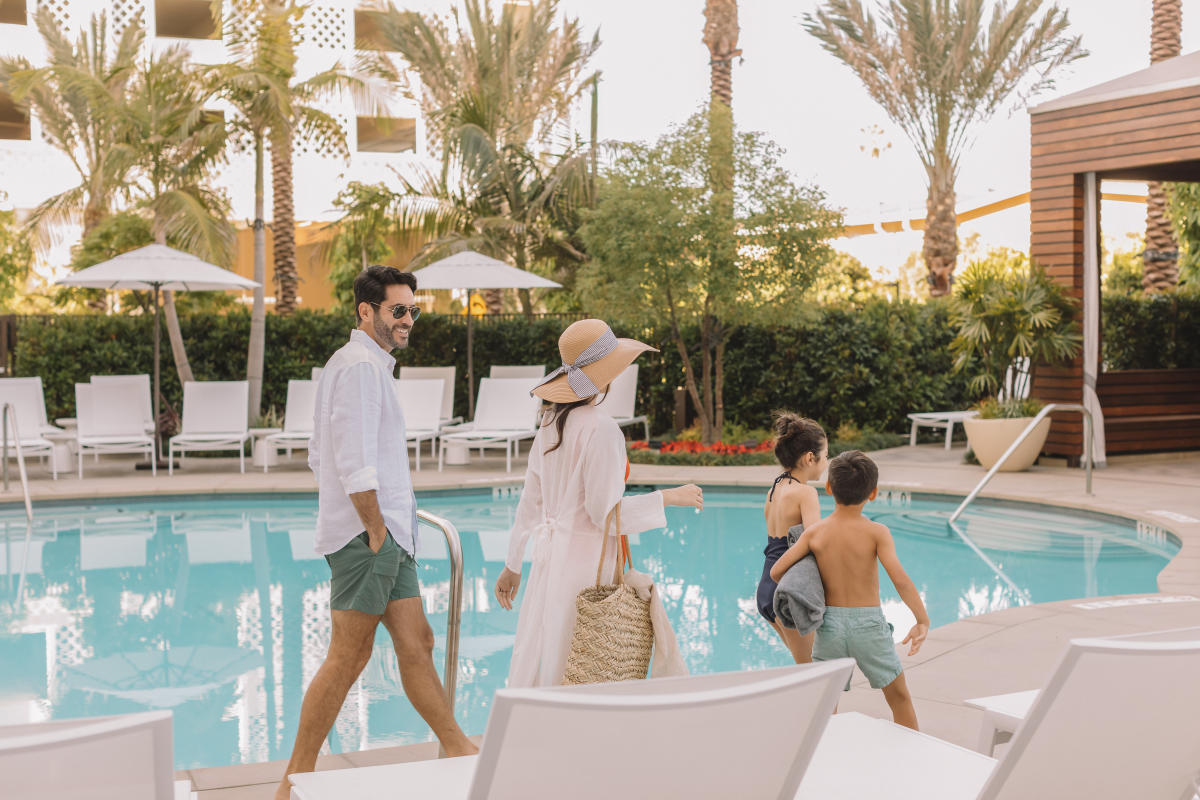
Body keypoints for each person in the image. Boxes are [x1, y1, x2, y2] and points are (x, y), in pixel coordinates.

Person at [274, 266, 476, 800]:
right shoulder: (361, 367)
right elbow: (352, 458)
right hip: (372, 539)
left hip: (389, 537)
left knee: (418, 642)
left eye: (413, 310)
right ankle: (291, 784)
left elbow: (320, 454)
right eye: (398, 310)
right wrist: (373, 528)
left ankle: (461, 749)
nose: (408, 319)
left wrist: (386, 531)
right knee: (349, 656)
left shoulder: (366, 365)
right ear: (367, 311)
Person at [493, 318, 704, 687]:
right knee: (583, 657)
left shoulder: (549, 422)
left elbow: (530, 500)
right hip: (585, 562)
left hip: (549, 559)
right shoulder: (601, 428)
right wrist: (668, 497)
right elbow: (603, 514)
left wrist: (513, 564)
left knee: (546, 649)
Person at [770, 450, 930, 730]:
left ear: (829, 488)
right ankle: (913, 751)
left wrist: (810, 578)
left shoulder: (815, 533)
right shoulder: (877, 532)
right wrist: (922, 619)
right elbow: (900, 580)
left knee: (826, 702)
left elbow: (776, 571)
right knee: (899, 697)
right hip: (868, 626)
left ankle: (825, 750)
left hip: (829, 627)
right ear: (873, 493)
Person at [756, 413, 828, 664]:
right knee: (812, 669)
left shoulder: (774, 490)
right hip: (789, 588)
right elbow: (815, 542)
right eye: (825, 456)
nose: (826, 463)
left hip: (766, 588)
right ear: (809, 458)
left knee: (805, 665)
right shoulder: (806, 493)